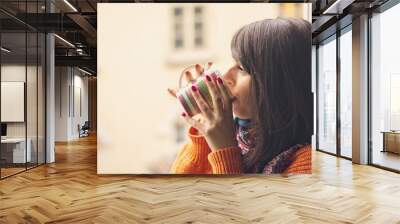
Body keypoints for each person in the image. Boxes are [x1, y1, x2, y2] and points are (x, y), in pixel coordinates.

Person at [167, 17, 313, 174]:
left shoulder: (306, 162)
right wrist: (205, 129)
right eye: (232, 63)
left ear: (281, 84)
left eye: (241, 68)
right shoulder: (241, 134)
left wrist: (225, 150)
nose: (224, 77)